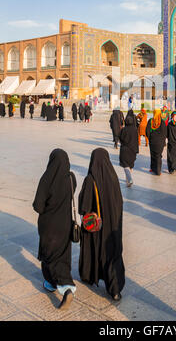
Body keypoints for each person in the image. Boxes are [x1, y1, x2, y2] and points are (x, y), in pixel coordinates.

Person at [78, 148, 125, 301]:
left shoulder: (91, 180)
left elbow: (83, 207)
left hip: (98, 228)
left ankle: (89, 275)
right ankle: (115, 289)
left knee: (98, 251)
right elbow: (119, 202)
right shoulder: (113, 176)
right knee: (112, 255)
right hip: (113, 227)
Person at [33, 149, 77, 310]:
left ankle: (66, 287)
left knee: (49, 255)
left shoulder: (46, 179)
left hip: (48, 226)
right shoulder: (71, 178)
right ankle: (52, 283)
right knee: (62, 255)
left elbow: (37, 206)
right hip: (65, 225)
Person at [146, 109, 167, 176]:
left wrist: (150, 138)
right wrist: (163, 141)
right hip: (160, 143)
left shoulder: (150, 121)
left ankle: (153, 168)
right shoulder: (162, 122)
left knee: (153, 155)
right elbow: (164, 133)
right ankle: (158, 171)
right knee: (158, 156)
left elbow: (147, 132)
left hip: (152, 142)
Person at [120, 116, 139, 187]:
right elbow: (137, 140)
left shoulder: (124, 129)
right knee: (130, 165)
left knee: (125, 165)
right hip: (133, 150)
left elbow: (120, 138)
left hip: (125, 150)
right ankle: (128, 181)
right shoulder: (135, 129)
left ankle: (129, 179)